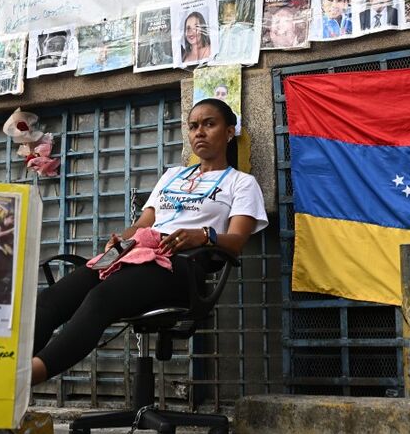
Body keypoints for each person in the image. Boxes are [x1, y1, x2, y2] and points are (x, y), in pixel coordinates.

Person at [30, 98, 268, 385]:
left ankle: (29, 375)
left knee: (101, 297)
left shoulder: (241, 183)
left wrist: (204, 235)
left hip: (181, 266)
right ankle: (7, 367)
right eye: (193, 126)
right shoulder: (172, 176)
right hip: (137, 253)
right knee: (53, 298)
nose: (200, 132)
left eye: (209, 124)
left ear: (229, 132)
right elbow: (144, 224)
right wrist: (121, 239)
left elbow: (237, 241)